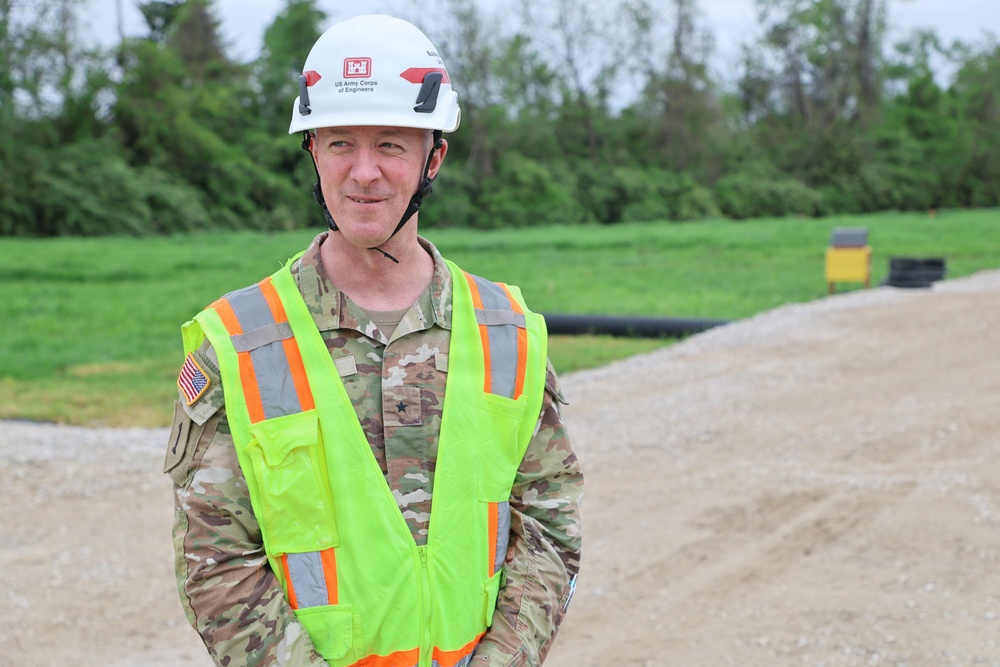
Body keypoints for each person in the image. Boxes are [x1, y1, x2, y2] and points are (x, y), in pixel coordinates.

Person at [164, 14, 583, 667]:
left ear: (432, 157)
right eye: (339, 143)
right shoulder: (240, 345)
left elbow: (549, 527)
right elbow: (217, 562)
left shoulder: (508, 332)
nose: (364, 172)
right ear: (312, 152)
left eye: (391, 144)